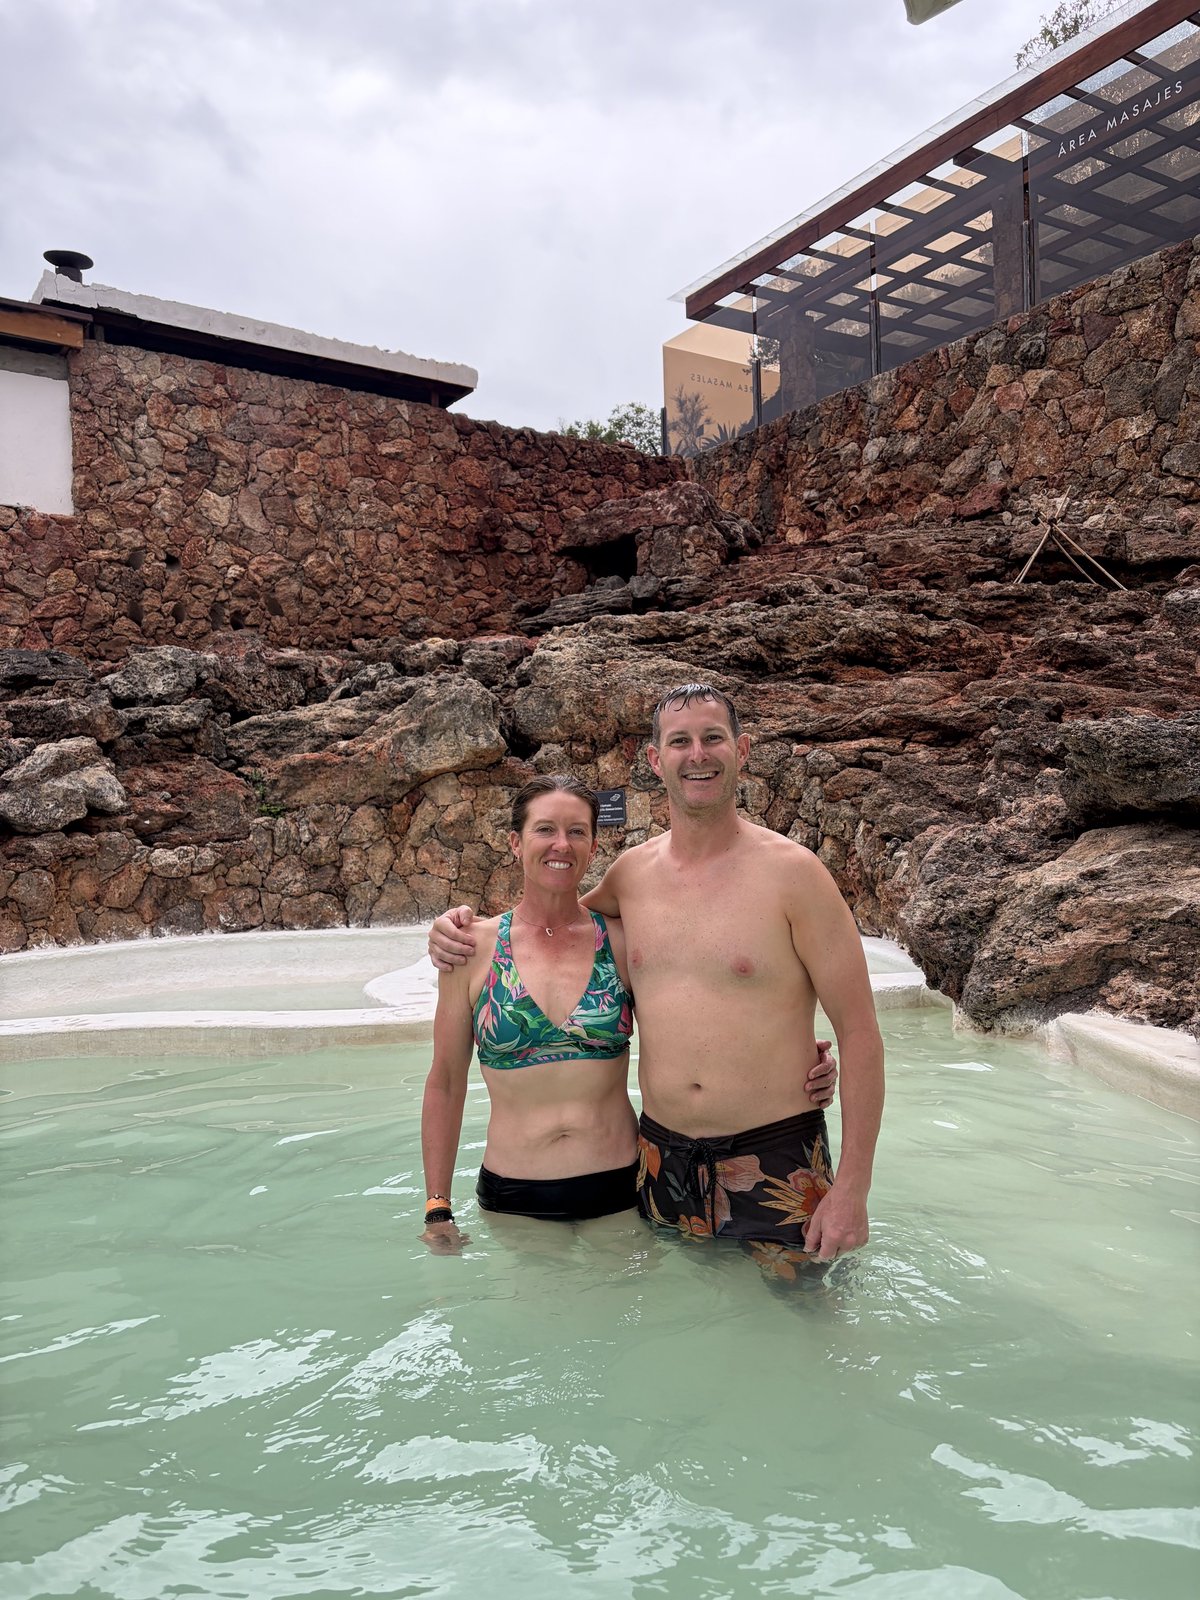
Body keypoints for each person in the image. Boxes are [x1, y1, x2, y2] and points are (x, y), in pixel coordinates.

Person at [429, 685, 883, 1270]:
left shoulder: (796, 876)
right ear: (655, 759)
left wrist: (853, 1189)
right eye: (680, 741)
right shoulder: (632, 877)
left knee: (804, 1314)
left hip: (774, 1151)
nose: (698, 754)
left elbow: (861, 1032)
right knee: (679, 1315)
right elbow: (552, 921)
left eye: (713, 738)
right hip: (659, 1164)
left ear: (742, 750)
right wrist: (455, 931)